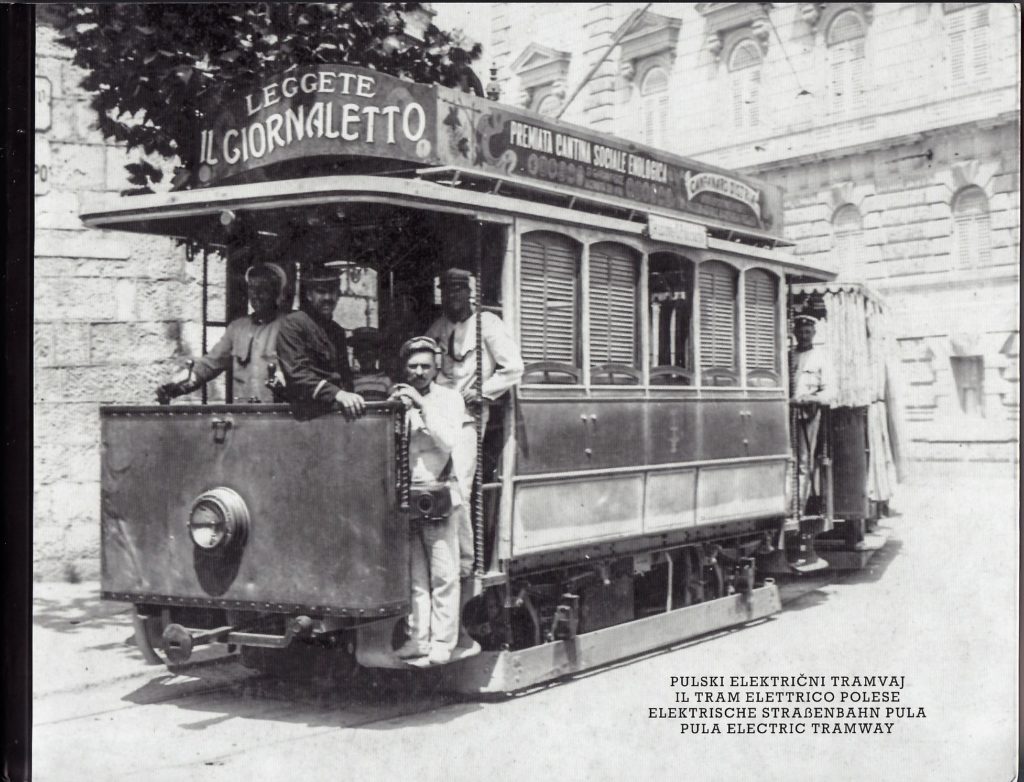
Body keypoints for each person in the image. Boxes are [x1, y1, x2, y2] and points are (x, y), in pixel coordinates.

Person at [425, 268, 524, 580]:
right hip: (439, 414)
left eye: (458, 290)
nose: (452, 296)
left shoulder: (488, 324)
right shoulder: (439, 327)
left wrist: (482, 392)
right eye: (447, 290)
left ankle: (465, 563)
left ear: (469, 292)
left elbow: (513, 368)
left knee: (459, 488)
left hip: (469, 418)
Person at [389, 337, 466, 665]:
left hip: (438, 494)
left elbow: (448, 441)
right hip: (408, 496)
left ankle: (443, 642)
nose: (418, 371)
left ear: (436, 369)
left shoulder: (450, 399)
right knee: (415, 575)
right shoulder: (398, 399)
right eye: (413, 366)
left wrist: (421, 406)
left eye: (425, 366)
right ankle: (417, 638)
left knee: (443, 574)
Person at [156, 263, 289, 404]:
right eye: (251, 288)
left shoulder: (289, 327)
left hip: (277, 417)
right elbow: (210, 364)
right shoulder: (237, 328)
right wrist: (178, 385)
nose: (256, 295)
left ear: (276, 292)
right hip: (243, 416)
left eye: (263, 289)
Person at [275, 262, 366, 420]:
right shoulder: (293, 324)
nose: (328, 298)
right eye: (321, 292)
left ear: (338, 295)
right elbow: (297, 374)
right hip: (304, 417)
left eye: (332, 292)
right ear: (309, 295)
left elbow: (345, 377)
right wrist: (337, 393)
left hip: (336, 413)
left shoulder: (337, 331)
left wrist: (351, 398)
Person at [790, 313, 833, 512]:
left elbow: (830, 392)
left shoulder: (821, 358)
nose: (804, 335)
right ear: (794, 332)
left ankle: (798, 507)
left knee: (804, 461)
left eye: (808, 332)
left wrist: (810, 399)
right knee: (787, 458)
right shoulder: (787, 356)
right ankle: (786, 503)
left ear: (814, 333)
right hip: (786, 414)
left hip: (808, 415)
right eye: (800, 331)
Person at [350, 326, 392, 401]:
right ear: (355, 355)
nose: (365, 357)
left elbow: (393, 400)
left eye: (370, 352)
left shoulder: (385, 380)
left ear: (377, 354)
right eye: (361, 351)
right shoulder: (351, 380)